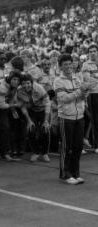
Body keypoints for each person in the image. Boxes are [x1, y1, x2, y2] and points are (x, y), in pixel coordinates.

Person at [54, 53, 96, 184]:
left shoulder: (77, 79)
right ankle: (65, 174)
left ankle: (75, 173)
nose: (68, 66)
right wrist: (80, 91)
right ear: (60, 66)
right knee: (67, 147)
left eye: (69, 63)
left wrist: (85, 92)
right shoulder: (58, 81)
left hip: (80, 116)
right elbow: (64, 99)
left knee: (78, 147)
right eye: (65, 64)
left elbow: (81, 95)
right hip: (66, 117)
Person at [17, 74, 51, 162]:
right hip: (31, 110)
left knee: (45, 129)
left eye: (28, 83)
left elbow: (47, 104)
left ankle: (45, 153)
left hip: (43, 110)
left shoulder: (39, 88)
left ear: (31, 83)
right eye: (23, 83)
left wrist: (46, 120)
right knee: (30, 129)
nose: (26, 86)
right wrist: (28, 120)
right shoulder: (19, 91)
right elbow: (23, 107)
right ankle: (35, 152)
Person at [81, 44, 98, 152]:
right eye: (90, 51)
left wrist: (95, 76)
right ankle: (97, 145)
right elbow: (88, 80)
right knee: (95, 120)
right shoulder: (86, 65)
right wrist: (94, 78)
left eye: (94, 51)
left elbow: (93, 78)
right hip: (93, 94)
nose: (92, 53)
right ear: (88, 53)